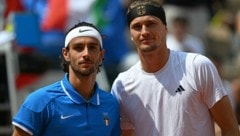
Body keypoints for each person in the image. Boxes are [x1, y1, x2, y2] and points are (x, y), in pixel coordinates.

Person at [111, 1, 240, 136]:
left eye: (151, 24)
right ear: (130, 34)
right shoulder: (122, 85)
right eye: (137, 26)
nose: (144, 31)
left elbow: (230, 127)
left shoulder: (198, 66)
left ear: (165, 28)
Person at [12, 21, 121, 136]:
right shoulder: (39, 101)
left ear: (101, 55)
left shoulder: (111, 103)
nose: (86, 53)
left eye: (92, 47)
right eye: (78, 47)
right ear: (66, 54)